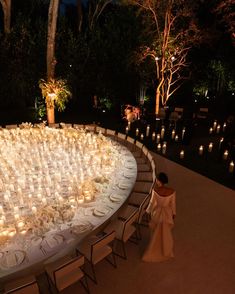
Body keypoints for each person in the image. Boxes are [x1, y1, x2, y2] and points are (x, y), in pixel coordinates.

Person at [142, 172, 176, 262]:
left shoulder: (155, 191)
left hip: (157, 213)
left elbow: (152, 203)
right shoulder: (172, 191)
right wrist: (174, 214)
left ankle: (155, 245)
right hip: (167, 213)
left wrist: (147, 211)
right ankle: (166, 248)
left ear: (159, 181)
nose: (156, 181)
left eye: (157, 179)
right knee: (165, 231)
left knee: (156, 230)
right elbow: (173, 204)